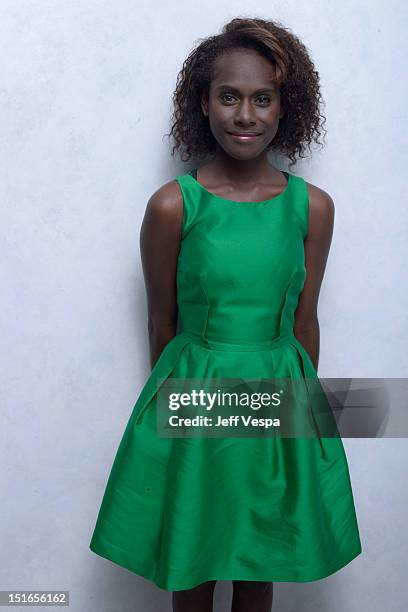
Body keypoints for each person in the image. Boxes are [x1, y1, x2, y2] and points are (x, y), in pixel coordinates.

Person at [90, 16, 362, 611]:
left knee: (258, 561)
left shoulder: (312, 207)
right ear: (204, 103)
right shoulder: (172, 206)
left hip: (277, 395)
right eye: (230, 97)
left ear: (285, 107)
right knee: (194, 561)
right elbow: (163, 324)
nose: (246, 115)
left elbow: (304, 322)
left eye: (262, 99)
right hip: (198, 391)